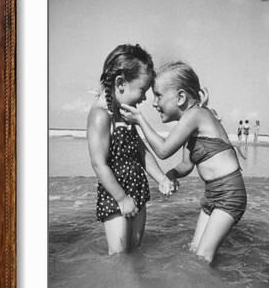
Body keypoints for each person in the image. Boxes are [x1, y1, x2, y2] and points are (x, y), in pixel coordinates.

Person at [120, 61, 247, 264]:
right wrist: (172, 175)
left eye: (158, 95)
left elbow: (162, 151)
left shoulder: (195, 115)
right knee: (195, 252)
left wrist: (139, 120)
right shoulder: (190, 122)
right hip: (212, 194)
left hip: (230, 194)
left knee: (203, 256)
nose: (154, 103)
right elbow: (186, 165)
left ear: (180, 97)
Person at [87, 44, 175, 255]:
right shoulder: (101, 116)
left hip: (137, 189)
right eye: (142, 90)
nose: (145, 98)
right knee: (119, 256)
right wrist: (121, 198)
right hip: (115, 194)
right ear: (120, 83)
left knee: (135, 251)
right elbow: (98, 164)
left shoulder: (126, 114)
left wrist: (161, 178)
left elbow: (142, 152)